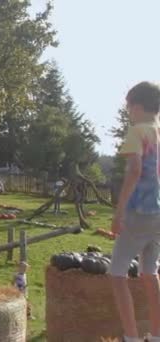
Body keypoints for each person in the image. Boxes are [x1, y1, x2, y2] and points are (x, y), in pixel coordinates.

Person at [110, 81, 160, 342]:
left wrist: (119, 213)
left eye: (129, 108)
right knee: (149, 272)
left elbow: (134, 171)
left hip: (139, 211)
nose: (128, 113)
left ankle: (131, 337)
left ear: (137, 107)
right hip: (159, 214)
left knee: (117, 274)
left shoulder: (138, 131)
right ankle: (157, 334)